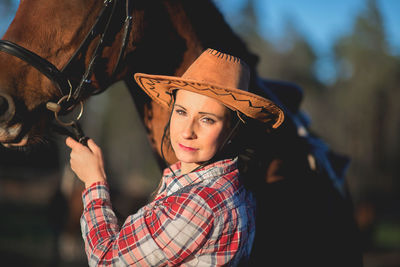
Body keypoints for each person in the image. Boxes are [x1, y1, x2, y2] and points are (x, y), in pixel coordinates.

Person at [66, 48, 284, 266]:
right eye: (181, 112)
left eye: (207, 119)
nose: (187, 131)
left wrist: (94, 181)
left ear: (233, 129)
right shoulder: (237, 187)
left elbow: (106, 261)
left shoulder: (200, 204)